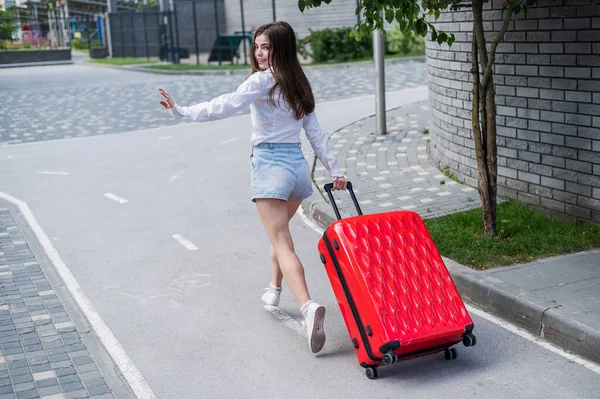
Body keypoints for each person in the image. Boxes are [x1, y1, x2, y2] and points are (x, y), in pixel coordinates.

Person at [158, 21, 347, 354]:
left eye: (267, 47)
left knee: (282, 241)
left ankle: (307, 306)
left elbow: (224, 105)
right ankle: (274, 290)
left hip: (271, 166)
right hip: (298, 170)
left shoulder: (261, 82)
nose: (260, 53)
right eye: (258, 46)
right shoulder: (298, 82)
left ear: (280, 49)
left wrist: (181, 112)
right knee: (280, 234)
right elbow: (315, 133)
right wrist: (336, 169)